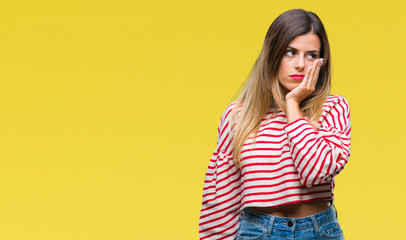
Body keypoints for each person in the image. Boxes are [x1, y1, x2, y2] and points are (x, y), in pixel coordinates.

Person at [199, 9, 351, 240]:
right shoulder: (239, 115)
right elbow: (222, 196)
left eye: (311, 55)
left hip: (319, 231)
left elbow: (316, 171)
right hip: (257, 232)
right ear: (273, 54)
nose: (300, 64)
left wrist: (293, 104)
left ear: (321, 62)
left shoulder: (333, 107)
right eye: (290, 52)